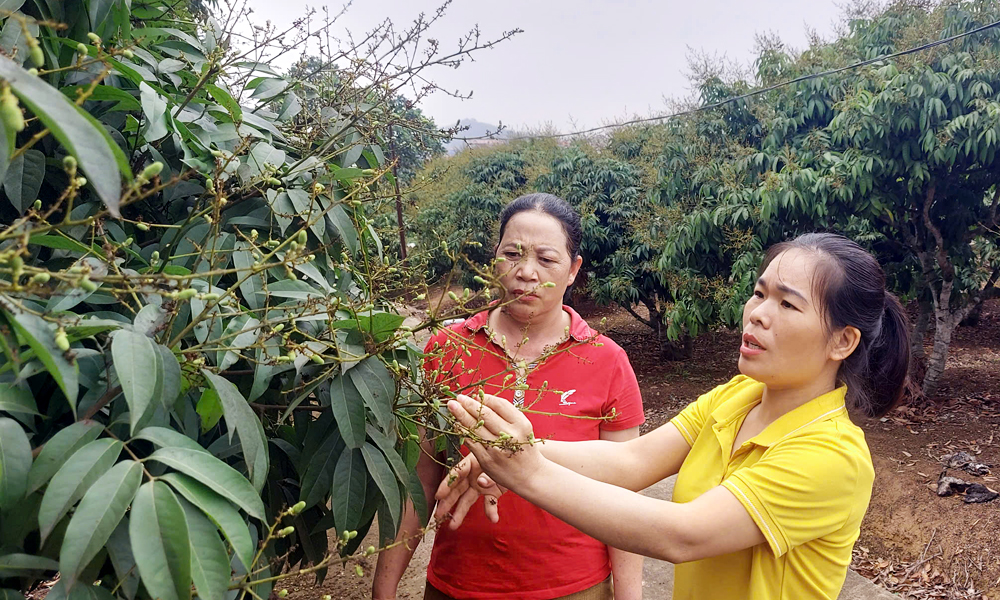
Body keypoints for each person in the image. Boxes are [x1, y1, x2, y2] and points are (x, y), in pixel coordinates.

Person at [438, 233, 910, 600]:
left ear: (842, 341)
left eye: (787, 304)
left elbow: (679, 535)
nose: (757, 315)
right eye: (759, 293)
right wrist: (518, 451)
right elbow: (633, 462)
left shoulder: (832, 456)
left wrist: (527, 472)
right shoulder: (742, 395)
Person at [372, 193, 647, 600]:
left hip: (574, 588)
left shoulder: (607, 361)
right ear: (494, 260)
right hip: (458, 586)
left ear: (573, 271)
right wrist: (383, 588)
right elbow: (421, 479)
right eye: (512, 253)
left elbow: (624, 491)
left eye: (547, 259)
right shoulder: (447, 349)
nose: (526, 272)